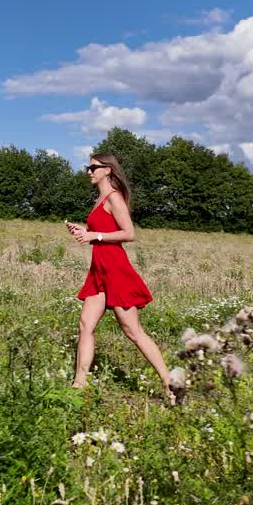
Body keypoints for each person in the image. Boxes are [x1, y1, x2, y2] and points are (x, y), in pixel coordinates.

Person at [66, 153, 174, 404]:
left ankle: (171, 384)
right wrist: (84, 232)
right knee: (85, 325)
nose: (89, 171)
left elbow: (129, 233)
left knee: (133, 331)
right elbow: (99, 232)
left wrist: (95, 236)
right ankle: (79, 384)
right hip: (98, 270)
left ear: (108, 170)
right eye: (88, 167)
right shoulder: (99, 199)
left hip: (115, 270)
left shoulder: (114, 198)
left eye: (93, 167)